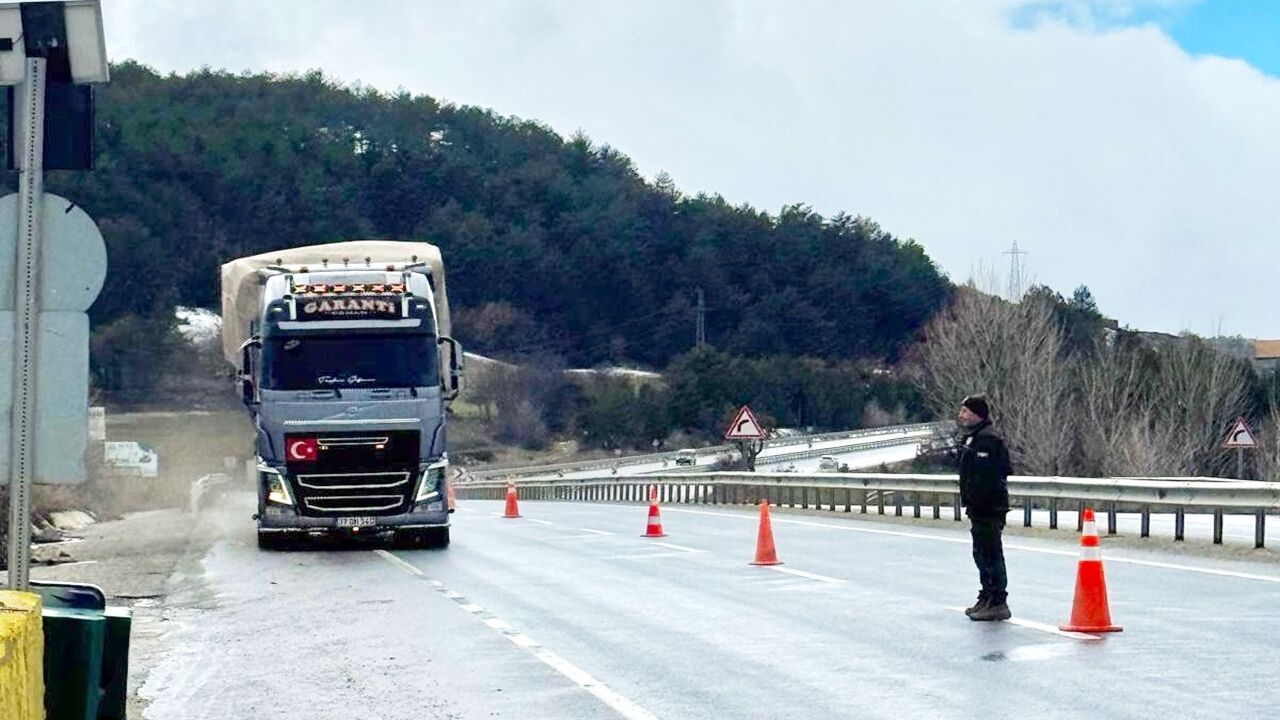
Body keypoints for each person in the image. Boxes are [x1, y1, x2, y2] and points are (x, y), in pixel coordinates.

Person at [957, 394, 1012, 622]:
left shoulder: (989, 440)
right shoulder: (973, 438)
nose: (961, 416)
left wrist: (982, 500)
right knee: (980, 554)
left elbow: (993, 475)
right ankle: (986, 596)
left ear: (977, 414)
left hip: (990, 508)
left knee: (991, 553)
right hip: (977, 509)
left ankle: (998, 600)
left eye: (965, 411)